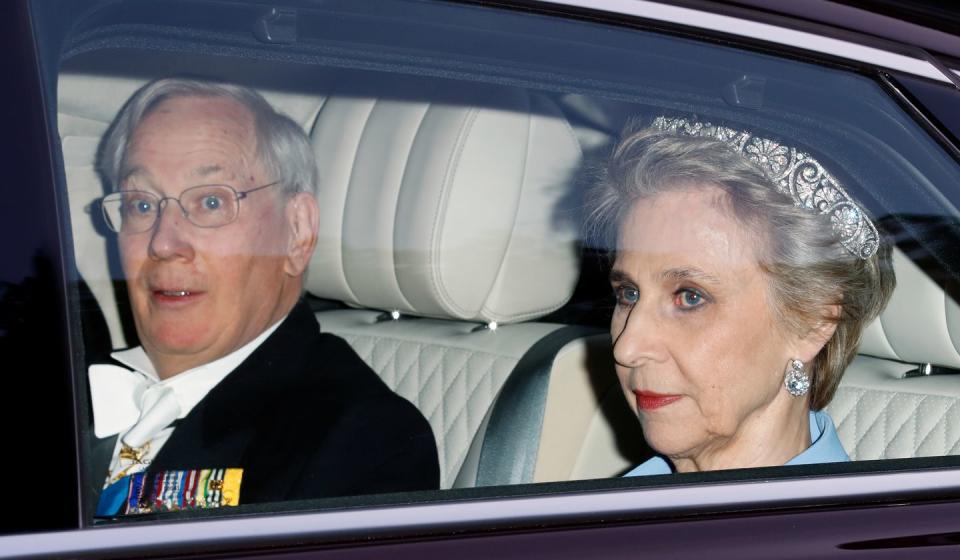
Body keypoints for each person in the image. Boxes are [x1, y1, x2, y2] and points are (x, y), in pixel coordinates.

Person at [88, 78, 439, 516]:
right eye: (141, 204)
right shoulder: (64, 385)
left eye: (212, 202)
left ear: (297, 232)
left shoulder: (361, 441)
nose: (163, 243)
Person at [586, 116, 895, 475]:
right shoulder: (598, 511)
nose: (627, 348)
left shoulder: (858, 529)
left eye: (689, 297)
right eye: (628, 293)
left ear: (812, 321)